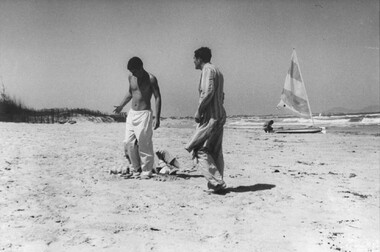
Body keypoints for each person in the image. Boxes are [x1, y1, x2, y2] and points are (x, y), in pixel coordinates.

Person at [185, 47, 227, 193]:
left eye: (194, 58)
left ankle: (216, 181)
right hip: (219, 114)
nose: (193, 61)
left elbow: (208, 92)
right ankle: (216, 183)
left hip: (211, 117)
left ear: (199, 58)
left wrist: (199, 110)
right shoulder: (218, 71)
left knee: (197, 148)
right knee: (214, 151)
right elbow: (221, 95)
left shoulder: (208, 70)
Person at [113, 57, 161, 179]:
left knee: (144, 143)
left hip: (144, 114)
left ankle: (147, 169)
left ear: (141, 67)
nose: (133, 73)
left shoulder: (151, 79)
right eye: (131, 71)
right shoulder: (131, 77)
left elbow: (157, 97)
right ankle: (136, 167)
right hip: (132, 113)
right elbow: (130, 92)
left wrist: (157, 117)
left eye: (134, 71)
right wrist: (121, 106)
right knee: (128, 142)